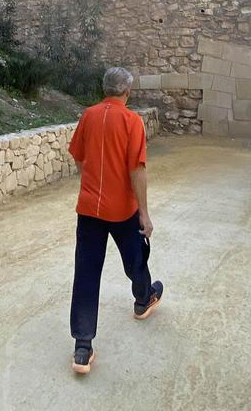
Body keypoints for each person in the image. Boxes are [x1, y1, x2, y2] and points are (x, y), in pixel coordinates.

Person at [67, 66, 163, 375]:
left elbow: (79, 156)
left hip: (89, 210)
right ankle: (143, 298)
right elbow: (137, 170)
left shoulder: (89, 116)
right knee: (135, 257)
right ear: (127, 92)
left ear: (105, 89)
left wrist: (93, 182)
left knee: (86, 273)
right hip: (122, 209)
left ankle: (83, 347)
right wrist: (145, 213)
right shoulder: (132, 121)